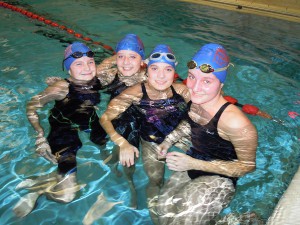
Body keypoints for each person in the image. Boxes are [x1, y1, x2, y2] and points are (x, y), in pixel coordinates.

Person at [156, 43, 258, 225]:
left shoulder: (236, 122)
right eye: (192, 77)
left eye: (207, 81)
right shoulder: (194, 101)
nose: (195, 87)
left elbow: (247, 166)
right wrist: (168, 141)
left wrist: (194, 163)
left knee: (185, 221)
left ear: (221, 84)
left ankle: (237, 221)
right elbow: (189, 124)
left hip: (219, 179)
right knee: (163, 214)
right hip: (192, 164)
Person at [100, 44, 190, 222]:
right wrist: (122, 143)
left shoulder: (182, 91)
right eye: (155, 69)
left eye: (168, 69)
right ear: (147, 71)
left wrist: (179, 137)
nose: (161, 75)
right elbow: (105, 118)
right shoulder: (133, 93)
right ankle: (157, 219)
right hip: (152, 139)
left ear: (174, 72)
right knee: (156, 181)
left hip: (177, 135)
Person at [26, 42, 107, 204]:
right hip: (62, 128)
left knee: (106, 148)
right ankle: (40, 188)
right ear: (69, 69)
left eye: (90, 62)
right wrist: (40, 136)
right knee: (66, 196)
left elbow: (113, 63)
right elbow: (31, 107)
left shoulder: (96, 80)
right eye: (78, 64)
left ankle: (51, 177)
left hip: (89, 120)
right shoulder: (60, 88)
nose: (87, 68)